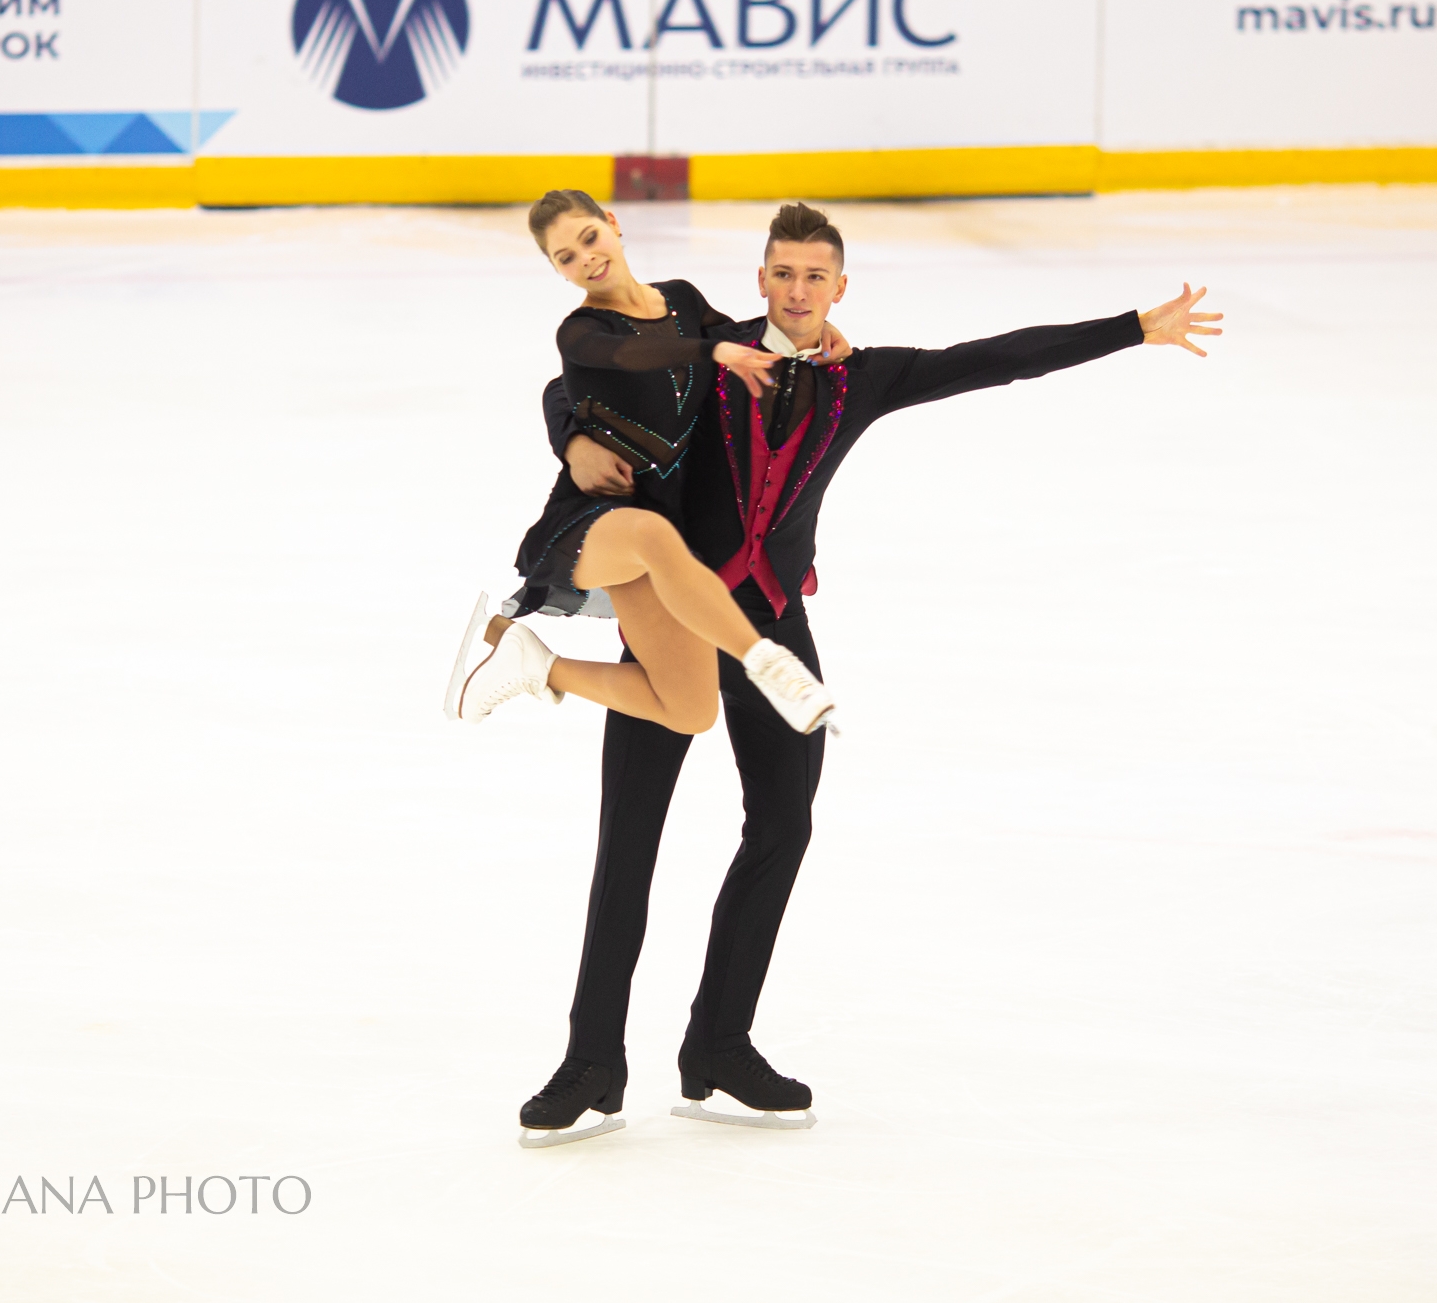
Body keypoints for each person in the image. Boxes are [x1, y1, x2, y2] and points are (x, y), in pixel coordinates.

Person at [516, 203, 1222, 1146]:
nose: (797, 290)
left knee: (782, 825)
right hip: (678, 618)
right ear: (760, 280)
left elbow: (995, 358)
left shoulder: (864, 379)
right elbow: (582, 376)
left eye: (815, 276)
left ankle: (718, 1043)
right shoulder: (717, 350)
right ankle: (591, 1063)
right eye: (782, 273)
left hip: (776, 621)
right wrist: (570, 437)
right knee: (630, 842)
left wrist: (1133, 328)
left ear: (840, 288)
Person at [444, 190, 838, 738]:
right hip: (594, 520)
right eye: (566, 257)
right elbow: (629, 356)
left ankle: (534, 666)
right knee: (652, 536)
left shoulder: (681, 299)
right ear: (557, 270)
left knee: (690, 710)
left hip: (663, 527)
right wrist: (708, 352)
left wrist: (811, 334)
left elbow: (745, 339)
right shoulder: (581, 333)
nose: (586, 258)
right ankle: (771, 666)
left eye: (590, 238)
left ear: (612, 223)